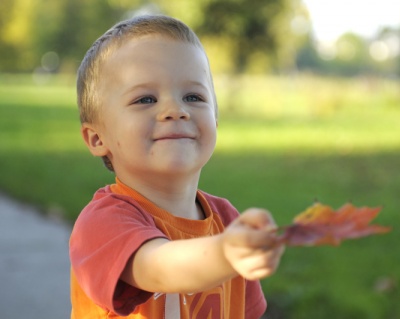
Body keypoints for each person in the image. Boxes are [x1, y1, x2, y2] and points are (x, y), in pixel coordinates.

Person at [69, 14, 285, 319]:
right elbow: (157, 267)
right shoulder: (101, 223)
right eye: (145, 99)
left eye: (193, 96)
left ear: (216, 121)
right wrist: (226, 253)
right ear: (96, 138)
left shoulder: (226, 221)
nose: (175, 110)